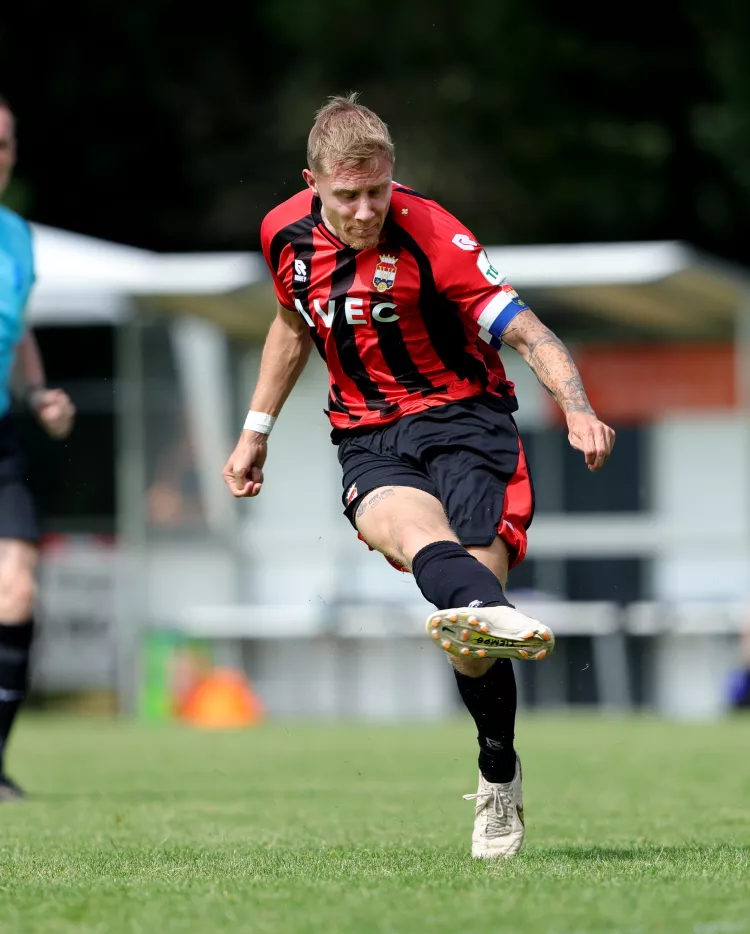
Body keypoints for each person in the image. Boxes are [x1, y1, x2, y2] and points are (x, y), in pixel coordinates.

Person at [223, 94, 615, 858]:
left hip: (467, 424)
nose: (366, 210)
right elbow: (292, 323)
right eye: (348, 196)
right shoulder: (282, 235)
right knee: (410, 537)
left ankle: (497, 769)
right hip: (368, 433)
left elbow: (529, 332)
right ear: (312, 183)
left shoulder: (436, 234)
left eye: (378, 190)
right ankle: (486, 606)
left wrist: (576, 407)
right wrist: (255, 431)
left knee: (471, 645)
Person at [0, 95, 76, 800]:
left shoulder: (18, 236)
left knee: (18, 589)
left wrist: (38, 393)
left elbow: (18, 328)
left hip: (3, 433)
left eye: (3, 144)